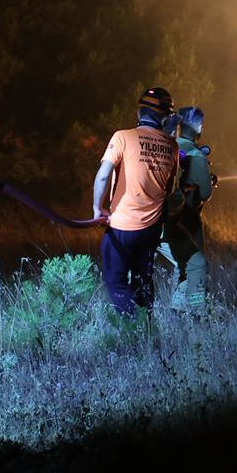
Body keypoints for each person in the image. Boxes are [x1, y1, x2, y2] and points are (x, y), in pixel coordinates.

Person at [91, 86, 180, 314]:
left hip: (122, 225)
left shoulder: (123, 137)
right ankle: (146, 328)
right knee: (143, 281)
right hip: (152, 229)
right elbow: (168, 190)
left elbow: (103, 174)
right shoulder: (172, 146)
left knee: (115, 280)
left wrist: (97, 208)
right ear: (165, 117)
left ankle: (132, 327)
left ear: (140, 113)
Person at [158, 106, 216, 315]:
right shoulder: (196, 155)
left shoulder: (168, 146)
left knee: (180, 264)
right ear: (199, 128)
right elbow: (205, 193)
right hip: (183, 224)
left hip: (156, 220)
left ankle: (177, 309)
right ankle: (197, 311)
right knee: (195, 265)